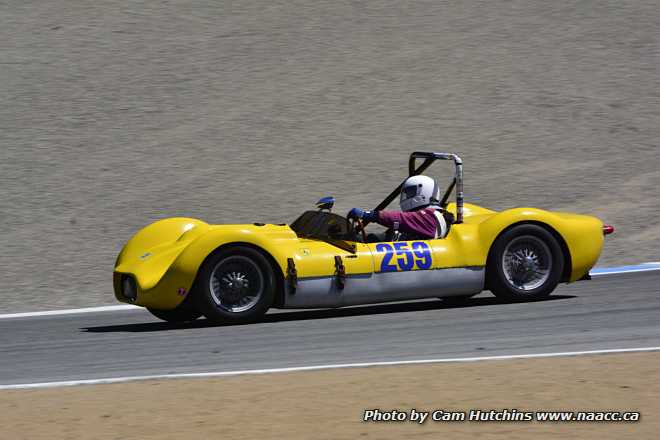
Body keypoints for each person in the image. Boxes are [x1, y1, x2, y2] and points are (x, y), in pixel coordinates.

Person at [347, 175, 451, 241]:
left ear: (423, 192)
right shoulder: (416, 220)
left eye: (410, 193)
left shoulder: (432, 216)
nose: (406, 197)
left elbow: (400, 218)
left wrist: (370, 215)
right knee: (370, 238)